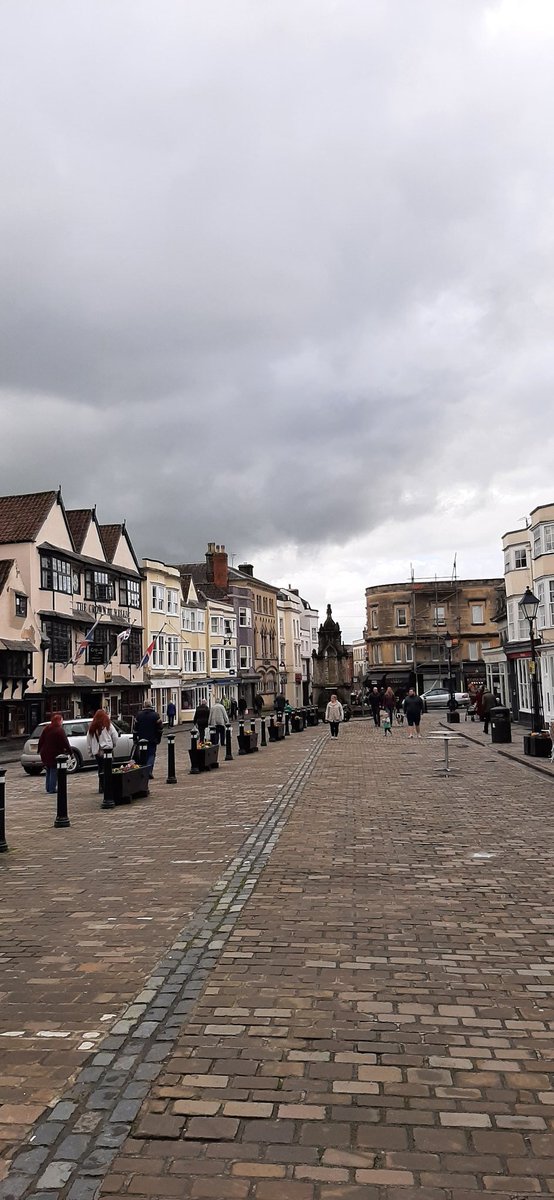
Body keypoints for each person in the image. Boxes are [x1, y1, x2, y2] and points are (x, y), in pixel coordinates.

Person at [38, 713, 71, 794]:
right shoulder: (59, 730)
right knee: (53, 770)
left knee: (48, 769)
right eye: (61, 720)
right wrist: (70, 752)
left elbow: (41, 740)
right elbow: (65, 742)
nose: (62, 722)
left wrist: (39, 750)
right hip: (54, 753)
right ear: (59, 721)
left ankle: (48, 787)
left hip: (45, 753)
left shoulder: (47, 728)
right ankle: (52, 788)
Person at [86, 709, 119, 787]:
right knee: (109, 768)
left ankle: (101, 785)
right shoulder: (108, 725)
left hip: (97, 752)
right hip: (108, 750)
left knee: (100, 768)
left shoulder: (92, 727)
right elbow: (115, 736)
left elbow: (88, 741)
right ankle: (108, 785)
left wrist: (90, 752)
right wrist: (113, 745)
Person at [133, 699, 163, 778]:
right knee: (151, 755)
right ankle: (149, 770)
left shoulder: (139, 715)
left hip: (142, 739)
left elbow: (135, 728)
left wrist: (135, 738)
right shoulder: (155, 715)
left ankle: (144, 772)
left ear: (144, 705)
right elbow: (160, 729)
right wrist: (158, 738)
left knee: (143, 755)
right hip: (152, 739)